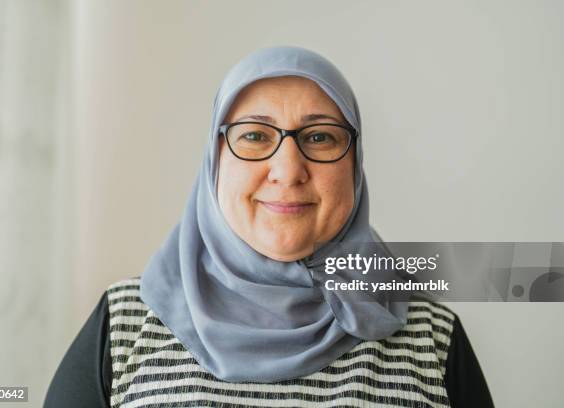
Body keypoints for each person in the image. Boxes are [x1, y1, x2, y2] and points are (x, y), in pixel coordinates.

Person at [45, 46, 494, 408]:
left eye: (320, 137)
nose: (287, 170)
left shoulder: (431, 337)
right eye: (255, 136)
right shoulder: (125, 323)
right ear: (214, 162)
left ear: (355, 166)